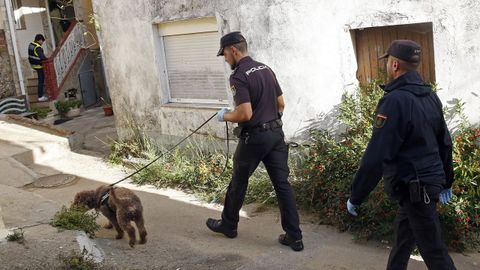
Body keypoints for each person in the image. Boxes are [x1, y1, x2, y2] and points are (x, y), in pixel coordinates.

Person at [346, 40, 456, 270]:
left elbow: (377, 155)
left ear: (395, 65)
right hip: (422, 185)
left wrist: (357, 195)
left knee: (435, 253)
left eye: (387, 61)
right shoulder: (430, 96)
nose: (386, 65)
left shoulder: (394, 101)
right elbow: (444, 141)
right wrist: (446, 180)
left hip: (417, 188)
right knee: (403, 240)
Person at [206, 31, 303, 251]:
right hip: (276, 135)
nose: (225, 59)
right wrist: (272, 124)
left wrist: (225, 116)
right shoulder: (265, 69)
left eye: (225, 55)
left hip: (255, 138)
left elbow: (245, 114)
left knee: (239, 181)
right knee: (282, 185)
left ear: (234, 50)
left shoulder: (239, 75)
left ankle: (229, 225)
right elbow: (281, 103)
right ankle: (294, 236)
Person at [28, 34, 48, 102]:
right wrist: (47, 59)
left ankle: (42, 95)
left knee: (41, 80)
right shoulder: (38, 47)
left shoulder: (31, 44)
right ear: (39, 40)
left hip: (33, 65)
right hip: (39, 66)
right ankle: (40, 96)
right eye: (42, 41)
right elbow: (43, 58)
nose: (42, 43)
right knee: (41, 81)